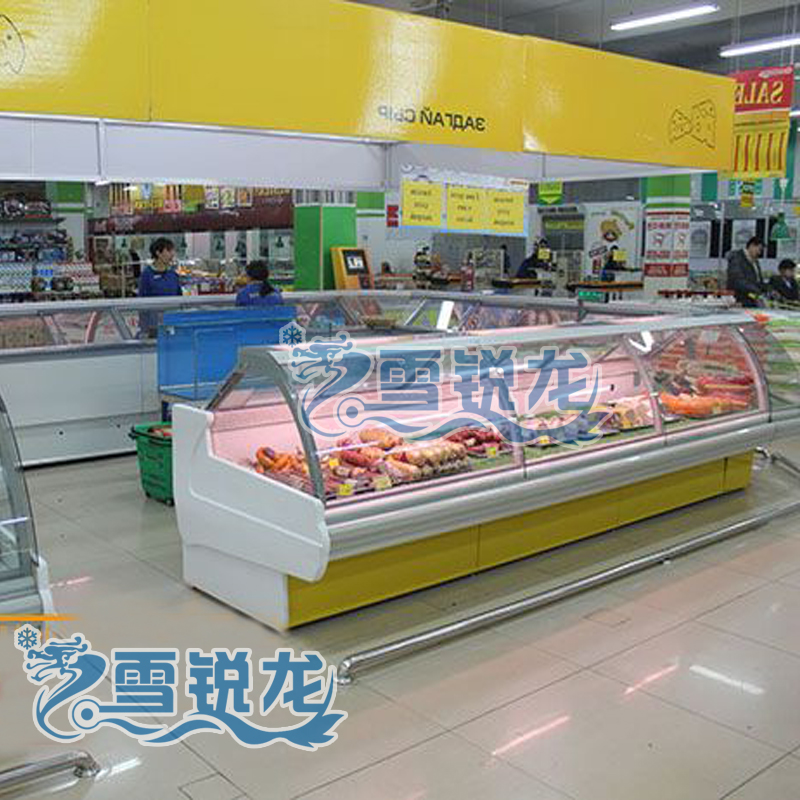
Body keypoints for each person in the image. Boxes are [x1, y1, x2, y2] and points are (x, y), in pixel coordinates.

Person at [726, 235, 764, 308]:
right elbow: (737, 280)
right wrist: (757, 290)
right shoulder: (736, 258)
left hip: (750, 299)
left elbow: (758, 280)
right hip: (738, 299)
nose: (759, 253)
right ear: (751, 246)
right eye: (759, 249)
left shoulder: (755, 261)